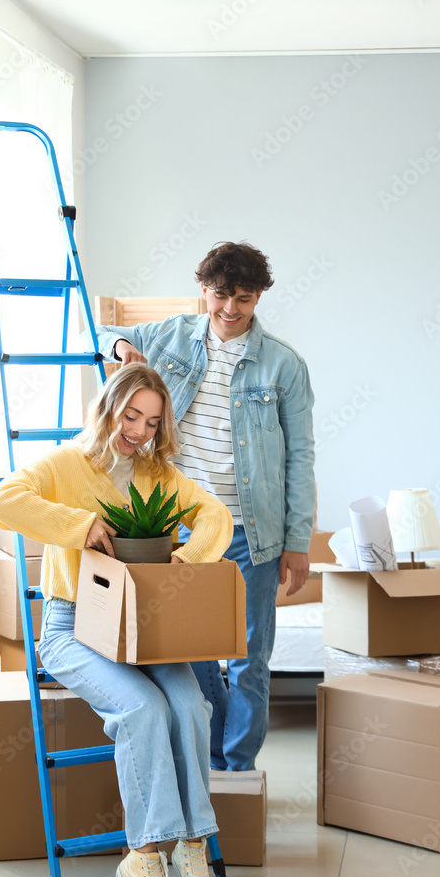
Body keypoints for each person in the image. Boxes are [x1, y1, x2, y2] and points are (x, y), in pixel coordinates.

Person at [0, 364, 233, 877]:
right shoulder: (64, 464)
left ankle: (192, 846)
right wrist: (77, 525)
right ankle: (145, 858)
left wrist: (186, 561)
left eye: (151, 422)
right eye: (131, 416)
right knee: (143, 710)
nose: (140, 431)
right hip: (72, 627)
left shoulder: (158, 473)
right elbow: (3, 502)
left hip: (145, 627)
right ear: (109, 409)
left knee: (192, 706)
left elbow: (215, 516)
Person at [96, 241, 315, 772]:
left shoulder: (284, 365)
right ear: (205, 291)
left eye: (244, 298)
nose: (231, 310)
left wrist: (297, 542)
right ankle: (205, 759)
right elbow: (92, 332)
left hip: (252, 531)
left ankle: (236, 770)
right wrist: (124, 347)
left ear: (259, 296)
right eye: (221, 296)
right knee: (191, 655)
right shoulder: (170, 335)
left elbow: (301, 456)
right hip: (179, 531)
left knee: (247, 660)